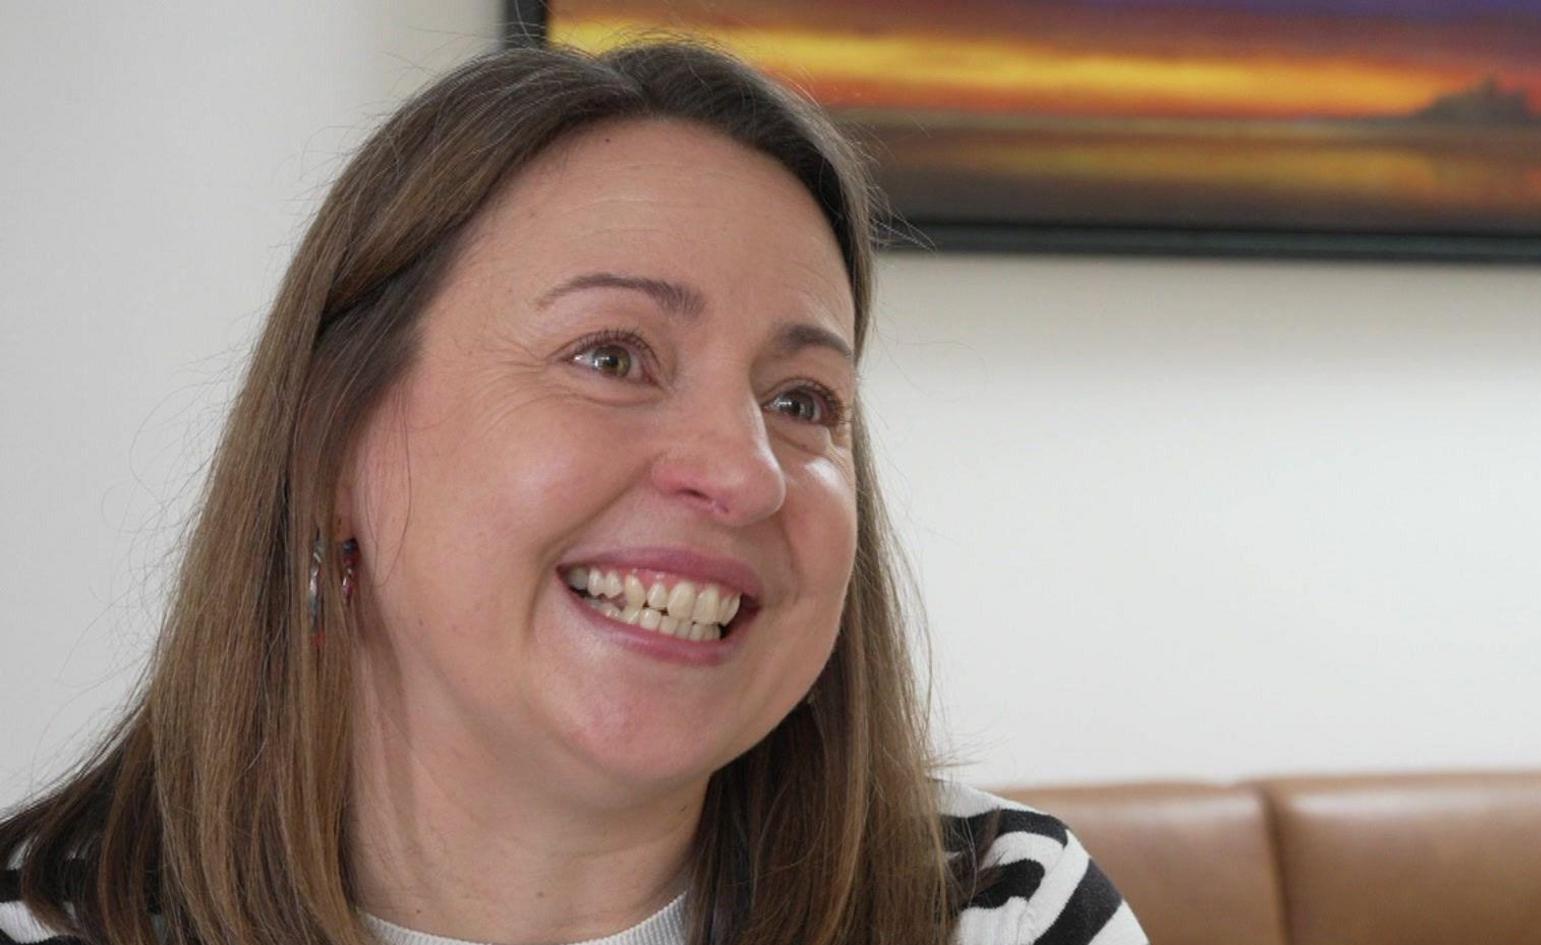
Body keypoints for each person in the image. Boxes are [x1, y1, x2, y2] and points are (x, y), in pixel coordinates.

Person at [0, 41, 1148, 945]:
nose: (745, 472)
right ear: (335, 439)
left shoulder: (1001, 914)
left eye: (803, 401)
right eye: (611, 356)